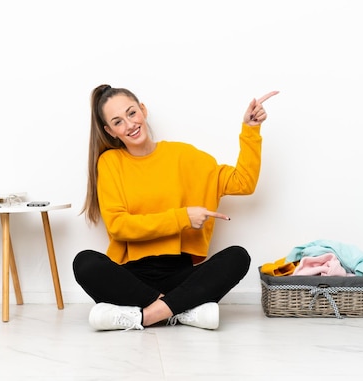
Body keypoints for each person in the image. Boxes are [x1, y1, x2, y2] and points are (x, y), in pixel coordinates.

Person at [73, 84, 278, 331]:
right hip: (132, 276)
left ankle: (145, 316)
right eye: (117, 122)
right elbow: (119, 227)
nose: (129, 125)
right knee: (84, 263)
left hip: (179, 275)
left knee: (238, 257)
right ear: (110, 131)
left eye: (131, 113)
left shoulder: (183, 155)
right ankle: (181, 311)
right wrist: (182, 217)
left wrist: (251, 130)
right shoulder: (110, 163)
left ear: (143, 110)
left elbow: (243, 183)